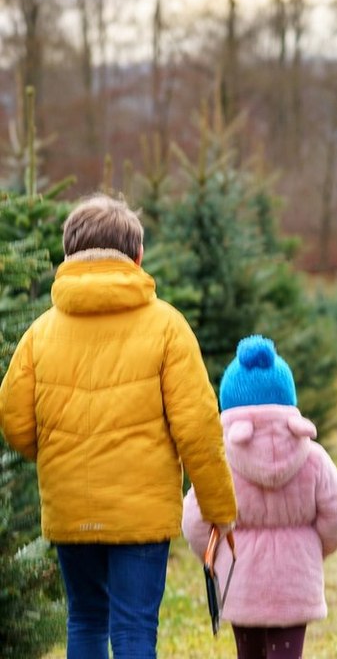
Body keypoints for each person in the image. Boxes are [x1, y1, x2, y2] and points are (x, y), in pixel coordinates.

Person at [0, 193, 237, 659]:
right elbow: (198, 428)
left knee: (85, 618)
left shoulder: (39, 333)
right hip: (141, 515)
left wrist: (58, 453)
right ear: (137, 256)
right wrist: (219, 509)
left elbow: (14, 421)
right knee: (133, 629)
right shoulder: (167, 327)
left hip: (70, 505)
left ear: (68, 256)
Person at [182, 334, 337, 659]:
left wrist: (216, 559)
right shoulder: (314, 458)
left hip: (241, 579)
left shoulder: (220, 461)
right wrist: (312, 550)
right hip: (295, 581)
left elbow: (195, 522)